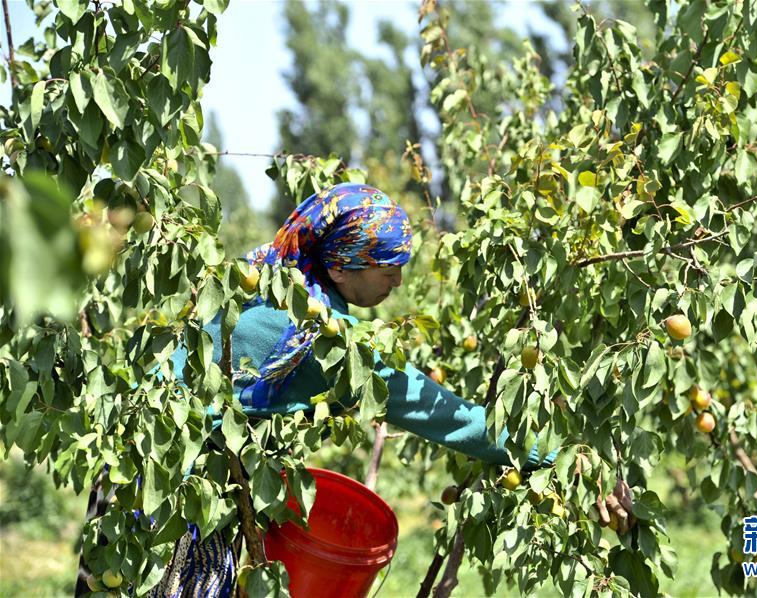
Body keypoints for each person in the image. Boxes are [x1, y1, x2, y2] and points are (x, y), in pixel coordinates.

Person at [75, 183, 554, 597]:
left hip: (132, 469)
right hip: (175, 505)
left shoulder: (265, 277)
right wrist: (550, 455)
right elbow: (451, 418)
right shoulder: (318, 336)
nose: (398, 280)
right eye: (387, 266)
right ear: (342, 268)